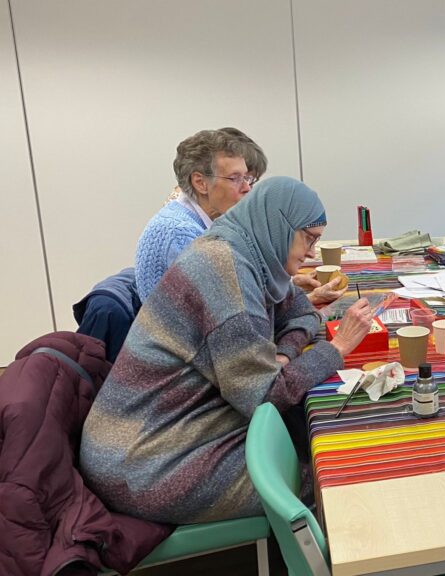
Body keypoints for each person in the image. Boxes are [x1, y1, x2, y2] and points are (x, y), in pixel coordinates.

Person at [80, 177, 373, 524]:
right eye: (308, 238)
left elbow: (302, 312)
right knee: (335, 480)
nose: (311, 252)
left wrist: (282, 355)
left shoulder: (243, 250)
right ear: (277, 225)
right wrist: (336, 348)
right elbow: (267, 396)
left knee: (310, 436)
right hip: (145, 462)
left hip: (156, 433)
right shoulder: (224, 273)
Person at [135, 128, 343, 306]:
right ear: (200, 183)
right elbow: (229, 314)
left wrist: (290, 286)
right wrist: (308, 299)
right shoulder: (181, 234)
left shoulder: (205, 220)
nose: (247, 189)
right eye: (235, 179)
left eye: (248, 179)